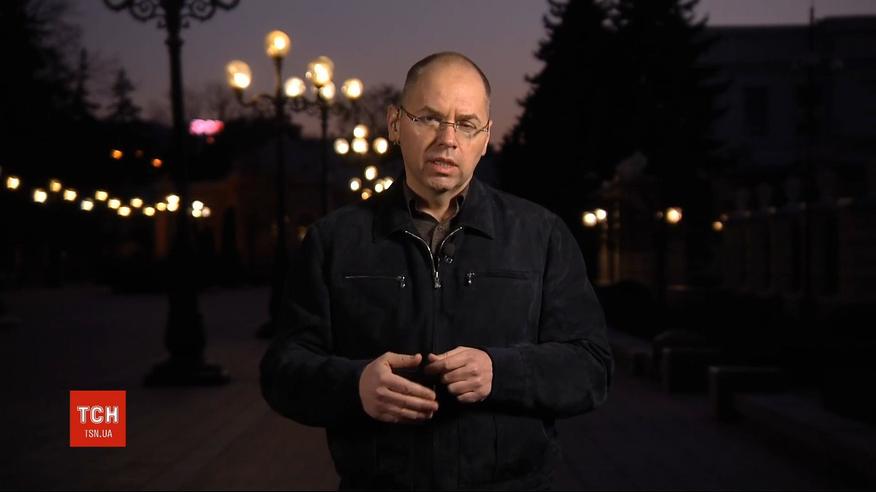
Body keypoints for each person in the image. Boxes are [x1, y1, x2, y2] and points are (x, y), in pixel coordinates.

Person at [260, 51, 613, 490]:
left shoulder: (541, 235)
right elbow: (282, 370)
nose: (448, 139)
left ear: (485, 137)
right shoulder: (333, 241)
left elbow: (592, 367)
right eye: (429, 118)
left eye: (466, 124)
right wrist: (355, 386)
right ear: (395, 124)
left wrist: (501, 372)